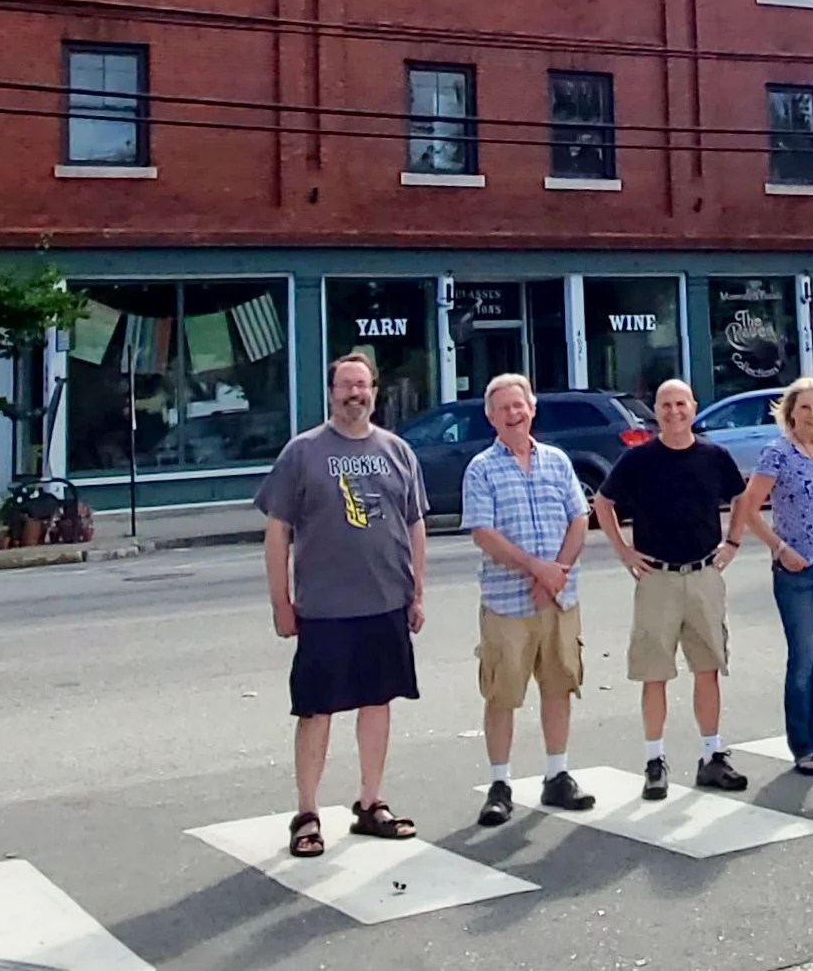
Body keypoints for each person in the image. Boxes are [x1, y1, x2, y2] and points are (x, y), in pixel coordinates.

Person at [257, 352, 428, 860]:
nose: (355, 394)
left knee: (378, 703)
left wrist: (417, 592)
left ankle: (371, 804)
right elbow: (277, 532)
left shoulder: (397, 451)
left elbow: (415, 524)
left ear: (375, 390)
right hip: (324, 609)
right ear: (331, 392)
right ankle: (307, 814)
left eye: (363, 385)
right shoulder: (303, 452)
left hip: (385, 603)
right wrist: (281, 602)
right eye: (346, 386)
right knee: (316, 710)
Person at [593, 377, 750, 799]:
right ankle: (655, 760)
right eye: (666, 405)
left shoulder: (714, 456)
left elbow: (742, 497)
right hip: (656, 578)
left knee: (708, 668)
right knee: (654, 673)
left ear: (694, 407)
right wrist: (624, 551)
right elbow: (603, 503)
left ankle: (712, 755)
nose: (674, 412)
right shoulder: (638, 459)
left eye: (681, 404)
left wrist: (733, 542)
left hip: (703, 575)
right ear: (656, 412)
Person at [461, 373, 598, 826]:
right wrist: (536, 569)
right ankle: (500, 785)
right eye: (503, 409)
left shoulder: (557, 461)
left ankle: (557, 775)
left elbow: (579, 519)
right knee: (502, 693)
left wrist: (557, 572)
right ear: (490, 417)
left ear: (532, 409)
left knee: (559, 685)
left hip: (559, 599)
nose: (513, 414)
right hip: (507, 603)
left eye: (518, 406)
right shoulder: (481, 469)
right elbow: (484, 533)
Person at [735, 375, 813, 774]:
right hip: (796, 568)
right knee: (804, 657)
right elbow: (749, 508)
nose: (812, 414)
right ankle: (802, 745)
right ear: (791, 412)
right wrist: (779, 548)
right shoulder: (778, 453)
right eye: (804, 407)